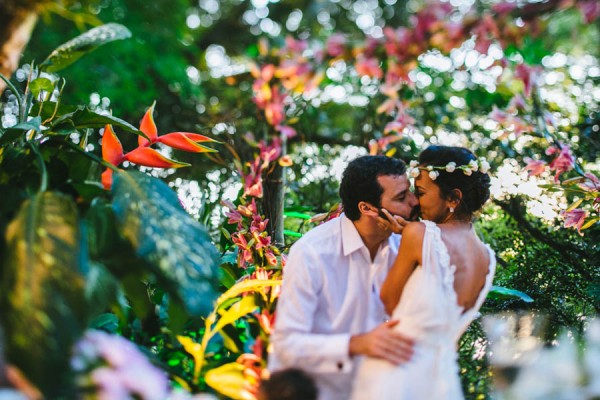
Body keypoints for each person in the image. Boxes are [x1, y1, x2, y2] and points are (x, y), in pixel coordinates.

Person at [350, 145, 496, 399]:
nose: (416, 202)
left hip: (398, 371)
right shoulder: (487, 258)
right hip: (442, 379)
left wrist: (410, 234)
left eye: (422, 193)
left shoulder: (418, 234)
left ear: (453, 198)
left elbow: (389, 302)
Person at [268, 155, 419, 400]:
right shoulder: (312, 253)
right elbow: (286, 346)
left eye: (410, 192)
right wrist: (357, 344)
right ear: (367, 208)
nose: (414, 202)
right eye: (401, 197)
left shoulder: (407, 245)